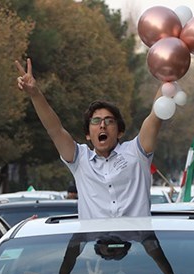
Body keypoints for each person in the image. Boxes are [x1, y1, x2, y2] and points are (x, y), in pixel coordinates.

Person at [15, 58, 164, 219]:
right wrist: (35, 94)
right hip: (93, 243)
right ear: (87, 134)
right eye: (96, 121)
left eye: (109, 121)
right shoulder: (80, 159)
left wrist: (169, 74)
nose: (102, 125)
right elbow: (54, 130)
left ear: (120, 132)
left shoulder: (136, 153)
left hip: (138, 242)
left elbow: (155, 116)